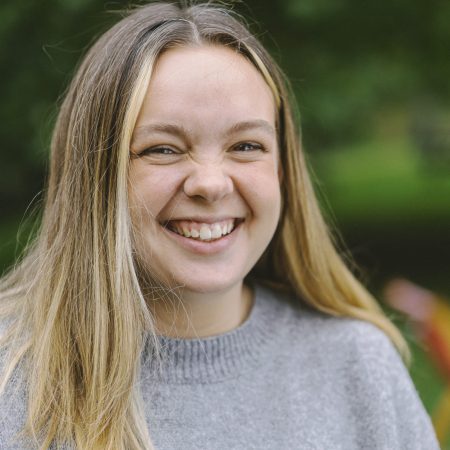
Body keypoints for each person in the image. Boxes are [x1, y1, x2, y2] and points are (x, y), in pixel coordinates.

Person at [0, 2, 439, 449]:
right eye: (163, 149)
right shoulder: (12, 381)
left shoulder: (358, 366)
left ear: (282, 170)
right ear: (95, 177)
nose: (210, 184)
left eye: (246, 145)